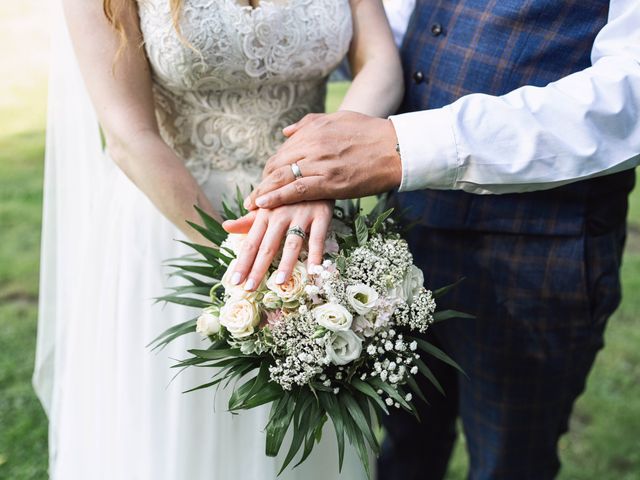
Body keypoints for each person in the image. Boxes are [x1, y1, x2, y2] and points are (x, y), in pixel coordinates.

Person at [225, 0, 640, 478]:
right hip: (403, 234)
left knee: (510, 460)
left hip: (540, 251)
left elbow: (627, 92)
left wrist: (406, 146)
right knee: (402, 445)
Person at [33, 0, 402, 478]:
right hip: (178, 224)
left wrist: (316, 172)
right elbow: (129, 135)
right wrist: (242, 264)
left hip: (310, 218)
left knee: (303, 441)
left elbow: (380, 60)